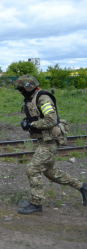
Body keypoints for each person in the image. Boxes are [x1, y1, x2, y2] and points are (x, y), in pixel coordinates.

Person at [14, 75, 87, 215]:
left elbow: (51, 120)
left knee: (33, 169)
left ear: (29, 86)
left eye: (22, 89)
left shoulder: (43, 98)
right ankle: (83, 187)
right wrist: (28, 121)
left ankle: (36, 204)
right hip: (43, 140)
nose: (20, 92)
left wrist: (31, 124)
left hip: (50, 141)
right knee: (50, 172)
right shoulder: (32, 98)